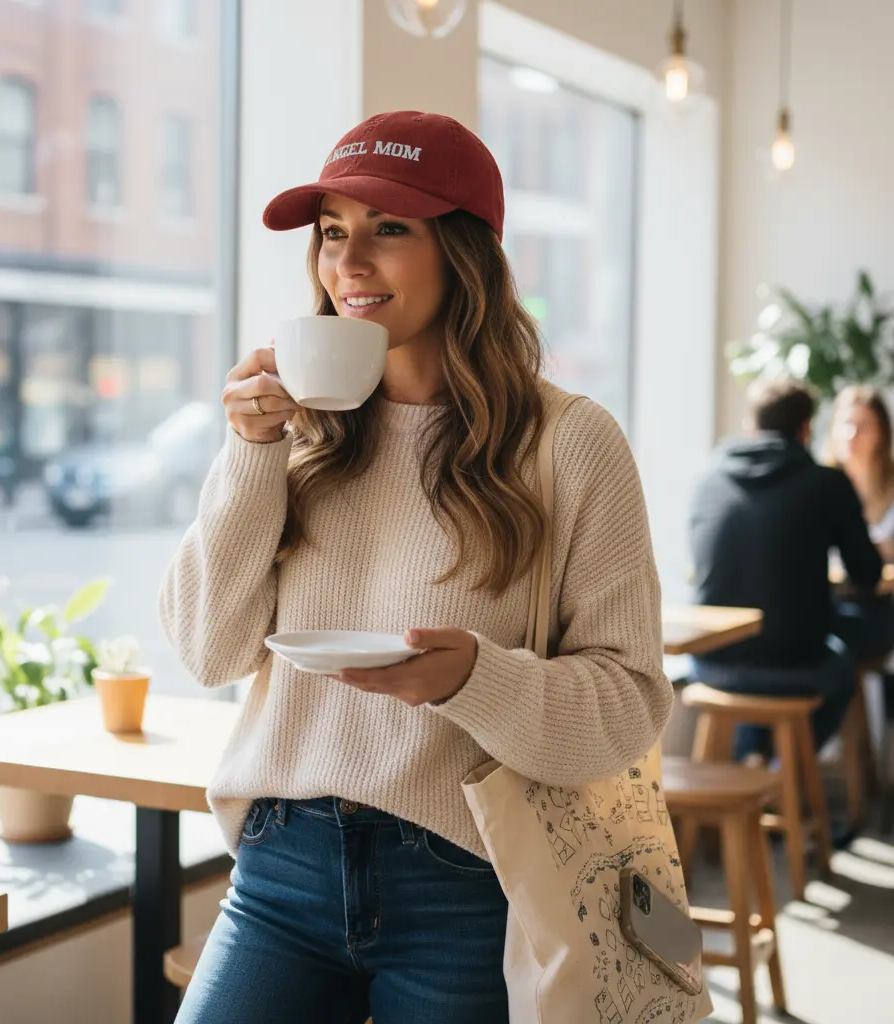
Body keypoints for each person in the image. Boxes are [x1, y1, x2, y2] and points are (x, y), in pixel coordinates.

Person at [159, 110, 672, 1024]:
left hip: (465, 877)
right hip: (281, 865)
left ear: (464, 254)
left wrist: (477, 678)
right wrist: (250, 452)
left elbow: (629, 703)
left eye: (389, 228)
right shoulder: (293, 433)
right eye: (332, 232)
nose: (349, 264)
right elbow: (210, 650)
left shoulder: (570, 444)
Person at [689, 378, 882, 764]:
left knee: (768, 640)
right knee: (844, 659)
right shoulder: (827, 483)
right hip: (793, 667)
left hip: (708, 663)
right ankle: (784, 772)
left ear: (751, 425)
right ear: (806, 428)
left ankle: (755, 762)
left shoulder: (708, 480)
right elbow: (867, 573)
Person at [826, 385, 894, 659]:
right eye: (846, 424)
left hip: (883, 602)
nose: (851, 435)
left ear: (882, 432)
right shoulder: (822, 484)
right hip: (833, 601)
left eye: (863, 426)